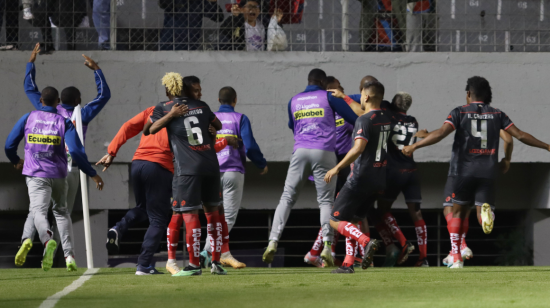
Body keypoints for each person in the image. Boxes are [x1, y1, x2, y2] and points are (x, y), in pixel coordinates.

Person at [402, 76, 550, 269]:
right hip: (488, 172)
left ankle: (456, 255)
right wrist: (546, 146)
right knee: (480, 212)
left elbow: (440, 134)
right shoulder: (497, 114)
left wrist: (415, 146)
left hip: (463, 170)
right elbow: (520, 136)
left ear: (469, 94)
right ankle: (488, 216)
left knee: (456, 211)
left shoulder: (460, 112)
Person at [15, 43, 111, 269]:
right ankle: (58, 252)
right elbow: (104, 95)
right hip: (71, 169)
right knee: (61, 213)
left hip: (41, 166)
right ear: (77, 101)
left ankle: (29, 239)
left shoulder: (48, 109)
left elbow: (30, 89)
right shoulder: (82, 113)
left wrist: (31, 62)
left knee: (36, 210)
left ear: (56, 100)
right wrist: (96, 69)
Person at [262, 68, 359, 267]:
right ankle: (326, 245)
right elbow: (353, 119)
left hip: (300, 150)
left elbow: (292, 125)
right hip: (324, 151)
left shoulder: (294, 100)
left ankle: (272, 241)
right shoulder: (328, 97)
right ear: (323, 83)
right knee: (325, 201)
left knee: (287, 197)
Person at [5, 86, 104, 272]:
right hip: (58, 175)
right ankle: (69, 256)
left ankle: (46, 240)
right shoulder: (64, 121)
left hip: (36, 174)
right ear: (57, 102)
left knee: (38, 213)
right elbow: (75, 150)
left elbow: (9, 144)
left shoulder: (28, 117)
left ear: (41, 101)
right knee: (61, 212)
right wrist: (92, 173)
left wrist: (15, 160)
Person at [144, 72, 227, 276]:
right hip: (211, 165)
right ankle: (216, 262)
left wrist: (171, 115)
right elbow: (218, 125)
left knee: (188, 213)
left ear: (168, 89)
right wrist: (210, 130)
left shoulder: (164, 107)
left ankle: (193, 265)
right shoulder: (204, 106)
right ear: (188, 89)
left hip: (187, 168)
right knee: (213, 213)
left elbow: (149, 130)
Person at [199, 86, 268, 269]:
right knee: (227, 217)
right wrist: (261, 164)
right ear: (235, 100)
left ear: (218, 100)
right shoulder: (240, 118)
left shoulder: (209, 118)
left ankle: (218, 253)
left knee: (212, 216)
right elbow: (251, 146)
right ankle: (206, 251)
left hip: (211, 171)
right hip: (232, 171)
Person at [324, 80, 389, 274]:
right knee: (350, 220)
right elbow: (363, 114)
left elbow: (359, 148)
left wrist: (337, 167)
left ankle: (366, 241)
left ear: (366, 97)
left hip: (361, 177)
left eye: (361, 95)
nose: (359, 98)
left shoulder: (363, 120)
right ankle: (348, 263)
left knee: (334, 220)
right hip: (379, 179)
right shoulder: (385, 117)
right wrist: (344, 97)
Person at [303, 76, 356, 268]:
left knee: (334, 211)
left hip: (327, 166)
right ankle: (318, 252)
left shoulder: (324, 112)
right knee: (337, 213)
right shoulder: (339, 112)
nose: (340, 91)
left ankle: (326, 251)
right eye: (337, 88)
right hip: (335, 168)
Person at [219, 0, 286, 51]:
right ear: (242, 9)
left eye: (256, 7)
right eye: (249, 7)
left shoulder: (264, 24)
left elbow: (276, 38)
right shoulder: (238, 23)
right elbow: (224, 31)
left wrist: (275, 21)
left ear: (259, 11)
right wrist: (235, 17)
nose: (253, 9)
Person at [159, 0, 224, 51]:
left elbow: (219, 17)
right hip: (168, 44)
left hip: (190, 47)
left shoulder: (200, 2)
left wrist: (213, 3)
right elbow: (162, 3)